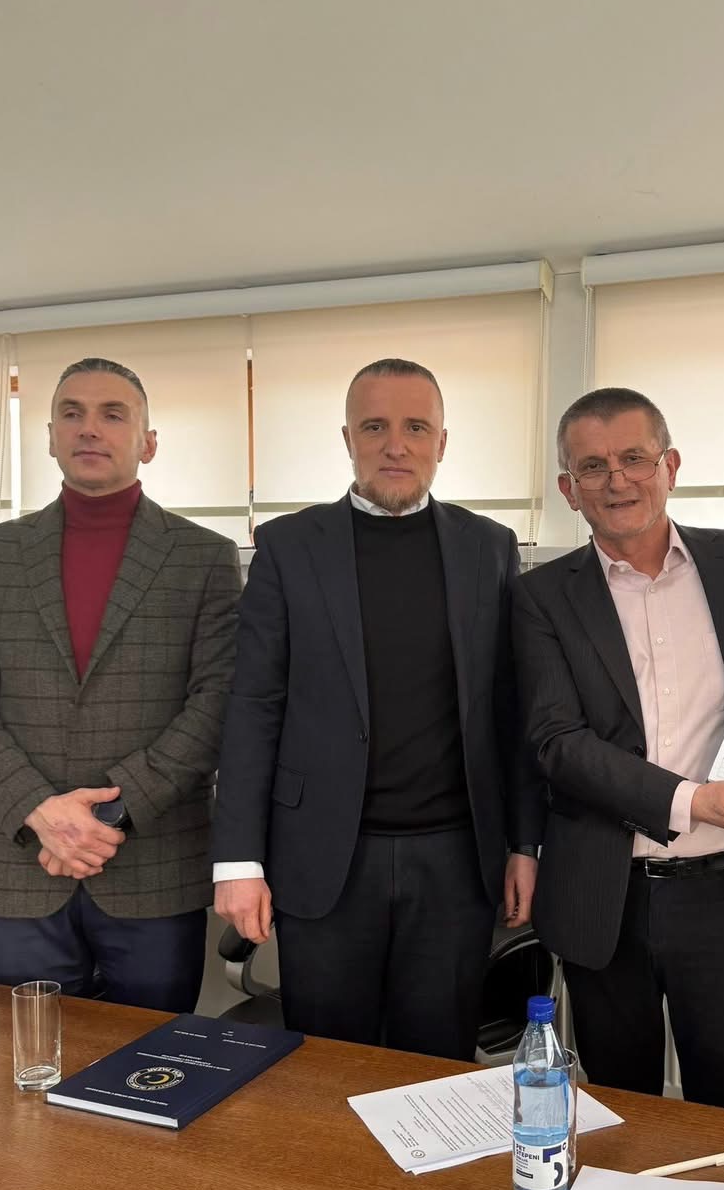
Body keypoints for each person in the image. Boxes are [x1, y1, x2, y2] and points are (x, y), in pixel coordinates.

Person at [211, 358, 543, 1060]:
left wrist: (524, 843)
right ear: (348, 439)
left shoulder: (489, 548)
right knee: (327, 1069)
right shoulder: (289, 547)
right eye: (375, 427)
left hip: (456, 863)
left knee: (436, 1067)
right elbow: (253, 705)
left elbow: (511, 712)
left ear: (442, 442)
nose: (396, 445)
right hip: (323, 859)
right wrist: (237, 859)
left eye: (416, 427)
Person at [511, 387, 724, 1110]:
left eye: (635, 458)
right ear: (568, 489)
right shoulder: (540, 597)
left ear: (670, 466)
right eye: (593, 467)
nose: (618, 480)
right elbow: (556, 742)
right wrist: (691, 801)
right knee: (617, 1105)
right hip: (605, 892)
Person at [0, 357, 242, 1011]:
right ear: (50, 437)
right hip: (23, 863)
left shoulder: (204, 556)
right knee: (28, 1059)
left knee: (151, 1060)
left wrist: (107, 817)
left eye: (112, 414)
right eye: (72, 413)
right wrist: (42, 812)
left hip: (153, 867)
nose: (89, 428)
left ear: (148, 442)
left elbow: (217, 704)